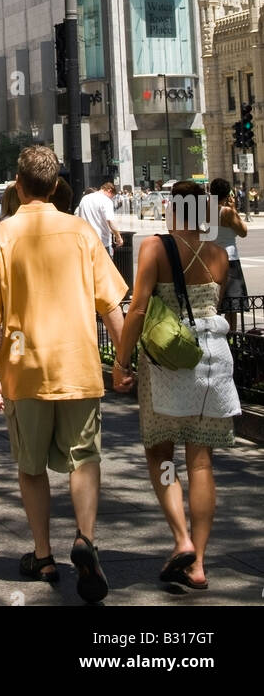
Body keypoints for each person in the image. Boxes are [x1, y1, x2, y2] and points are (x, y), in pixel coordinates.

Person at [0, 146, 127, 602]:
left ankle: (43, 554)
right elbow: (112, 305)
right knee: (84, 458)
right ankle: (85, 539)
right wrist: (123, 361)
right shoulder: (80, 234)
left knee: (31, 466)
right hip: (78, 363)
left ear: (18, 185)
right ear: (55, 186)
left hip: (24, 367)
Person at [113, 181, 235, 592]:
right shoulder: (219, 255)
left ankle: (181, 538)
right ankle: (198, 563)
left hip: (168, 364)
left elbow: (140, 308)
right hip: (212, 360)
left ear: (175, 208)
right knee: (201, 461)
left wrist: (121, 360)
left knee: (161, 453)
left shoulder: (154, 248)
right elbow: (218, 309)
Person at [209, 176, 248, 331]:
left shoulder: (204, 210)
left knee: (215, 304)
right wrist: (234, 209)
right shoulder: (226, 212)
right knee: (232, 305)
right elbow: (243, 231)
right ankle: (231, 338)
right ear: (227, 194)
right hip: (229, 259)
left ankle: (215, 335)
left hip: (210, 258)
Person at [75, 179, 123, 257]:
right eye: (112, 196)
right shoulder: (106, 201)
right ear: (109, 190)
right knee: (105, 268)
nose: (111, 198)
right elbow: (111, 221)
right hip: (102, 243)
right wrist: (118, 237)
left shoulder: (85, 199)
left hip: (86, 243)